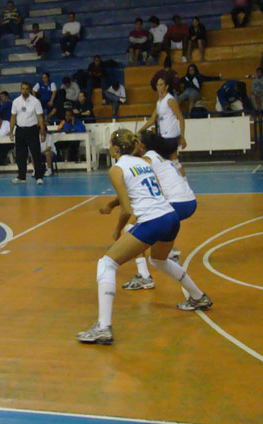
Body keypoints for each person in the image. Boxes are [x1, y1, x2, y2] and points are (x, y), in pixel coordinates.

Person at [76, 129, 212, 345]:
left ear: (116, 149)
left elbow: (128, 209)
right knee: (158, 260)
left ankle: (103, 327)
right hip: (169, 216)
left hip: (152, 220)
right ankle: (198, 297)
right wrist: (113, 206)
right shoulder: (144, 163)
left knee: (106, 264)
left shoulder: (117, 169)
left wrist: (117, 230)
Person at [100, 130, 197, 290]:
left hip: (173, 203)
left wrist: (115, 220)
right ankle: (168, 251)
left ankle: (144, 275)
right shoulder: (154, 156)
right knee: (157, 244)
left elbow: (130, 199)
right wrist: (111, 204)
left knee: (133, 229)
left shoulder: (143, 161)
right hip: (187, 200)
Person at [139, 77, 187, 174]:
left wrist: (182, 136)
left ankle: (184, 181)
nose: (158, 87)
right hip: (164, 136)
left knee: (174, 161)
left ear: (167, 86)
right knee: (168, 162)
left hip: (172, 136)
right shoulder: (159, 102)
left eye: (161, 85)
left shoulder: (170, 100)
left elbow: (180, 118)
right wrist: (140, 131)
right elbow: (152, 119)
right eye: (157, 85)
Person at [9, 82, 45, 184]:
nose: (24, 91)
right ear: (20, 89)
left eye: (26, 89)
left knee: (36, 154)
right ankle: (21, 176)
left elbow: (40, 118)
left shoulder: (36, 102)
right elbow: (13, 117)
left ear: (29, 90)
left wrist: (42, 132)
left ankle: (39, 176)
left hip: (32, 130)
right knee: (20, 155)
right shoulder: (16, 102)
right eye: (23, 89)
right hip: (20, 130)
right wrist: (11, 131)